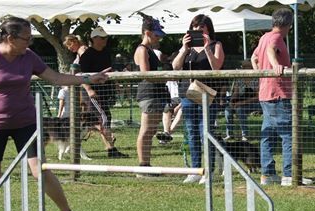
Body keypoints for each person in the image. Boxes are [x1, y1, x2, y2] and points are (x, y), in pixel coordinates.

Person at [0, 17, 109, 211]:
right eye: (26, 38)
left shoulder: (28, 57)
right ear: (10, 38)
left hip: (26, 122)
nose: (30, 43)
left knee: (39, 170)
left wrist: (88, 78)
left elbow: (55, 78)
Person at [251, 8, 311, 187]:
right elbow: (271, 50)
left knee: (267, 135)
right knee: (288, 134)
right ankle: (289, 175)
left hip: (265, 93)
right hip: (278, 93)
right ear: (288, 25)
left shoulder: (264, 37)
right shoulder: (276, 38)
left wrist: (261, 74)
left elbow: (254, 57)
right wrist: (276, 66)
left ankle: (267, 175)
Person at [172, 14, 225, 184]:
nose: (197, 31)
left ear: (208, 29)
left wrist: (207, 46)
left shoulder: (216, 45)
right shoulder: (188, 49)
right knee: (192, 132)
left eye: (201, 28)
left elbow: (216, 66)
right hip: (188, 95)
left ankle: (209, 171)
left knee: (206, 132)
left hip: (208, 94)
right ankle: (195, 170)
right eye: (194, 28)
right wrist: (184, 48)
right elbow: (175, 66)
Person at [79, 26, 127, 158]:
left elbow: (108, 71)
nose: (105, 40)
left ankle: (110, 149)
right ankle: (111, 149)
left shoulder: (106, 52)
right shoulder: (87, 55)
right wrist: (89, 90)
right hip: (92, 93)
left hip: (104, 92)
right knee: (103, 119)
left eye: (106, 37)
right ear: (94, 39)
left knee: (98, 120)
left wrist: (115, 84)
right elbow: (80, 75)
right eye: (102, 37)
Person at [133, 15, 168, 174]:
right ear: (147, 33)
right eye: (156, 34)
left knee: (151, 130)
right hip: (149, 94)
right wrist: (165, 76)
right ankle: (143, 166)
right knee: (146, 130)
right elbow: (146, 74)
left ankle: (146, 163)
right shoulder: (142, 49)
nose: (158, 37)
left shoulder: (151, 51)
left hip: (156, 94)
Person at [223, 60, 259, 142]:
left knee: (240, 110)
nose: (244, 69)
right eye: (243, 67)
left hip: (254, 102)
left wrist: (241, 103)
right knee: (228, 110)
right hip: (241, 101)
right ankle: (229, 134)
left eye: (247, 67)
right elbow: (236, 92)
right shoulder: (239, 79)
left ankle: (245, 135)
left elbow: (257, 97)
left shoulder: (256, 78)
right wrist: (232, 101)